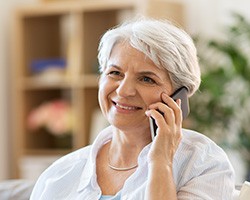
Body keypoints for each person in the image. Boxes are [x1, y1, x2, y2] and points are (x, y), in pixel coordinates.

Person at [30, 17, 235, 200]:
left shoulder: (203, 163)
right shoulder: (59, 174)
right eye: (115, 73)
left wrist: (161, 163)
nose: (124, 90)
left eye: (146, 79)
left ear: (179, 95)